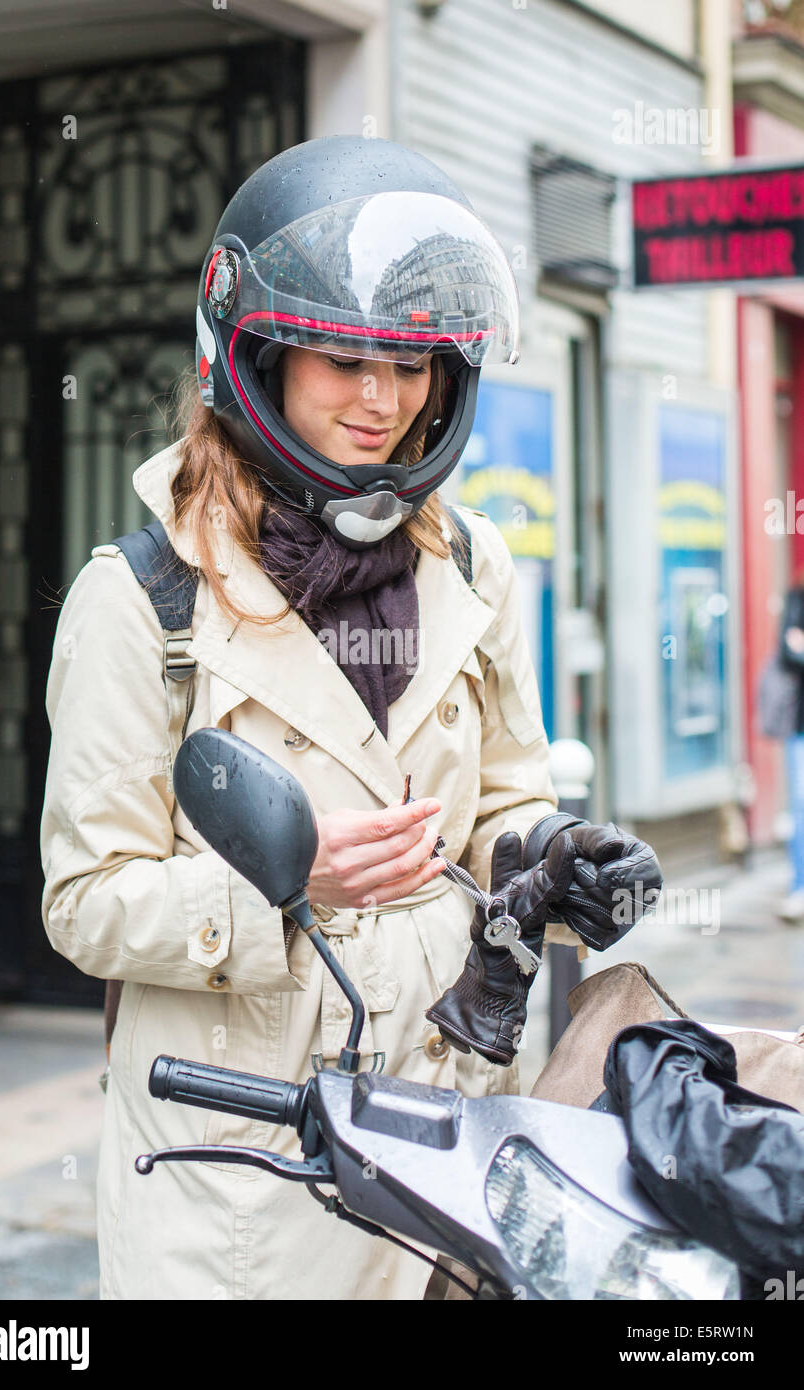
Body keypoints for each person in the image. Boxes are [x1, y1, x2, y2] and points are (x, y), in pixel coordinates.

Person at [40, 135, 661, 1300]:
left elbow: (504, 799)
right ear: (260, 358)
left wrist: (546, 855)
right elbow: (83, 903)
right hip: (244, 1183)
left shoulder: (472, 563)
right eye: (342, 359)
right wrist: (287, 885)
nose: (385, 401)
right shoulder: (137, 598)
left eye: (414, 362)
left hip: (457, 1149)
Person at [776, 564, 804, 922]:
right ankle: (800, 886)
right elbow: (788, 650)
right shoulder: (797, 596)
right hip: (801, 726)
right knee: (801, 808)